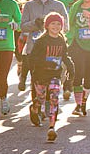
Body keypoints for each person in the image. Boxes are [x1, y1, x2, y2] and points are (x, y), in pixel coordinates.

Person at [29, 12, 75, 142]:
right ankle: (34, 108)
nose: (56, 26)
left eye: (58, 24)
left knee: (54, 98)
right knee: (41, 98)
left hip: (55, 75)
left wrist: (70, 68)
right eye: (53, 23)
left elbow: (65, 56)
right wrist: (38, 68)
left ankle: (51, 127)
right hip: (40, 75)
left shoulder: (61, 40)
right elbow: (32, 58)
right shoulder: (41, 41)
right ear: (47, 26)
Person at [20, 0, 68, 93]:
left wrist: (53, 27)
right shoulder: (29, 5)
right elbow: (23, 26)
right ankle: (36, 108)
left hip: (53, 49)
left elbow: (66, 26)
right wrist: (35, 23)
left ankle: (50, 108)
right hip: (34, 49)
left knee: (52, 83)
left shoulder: (58, 5)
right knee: (36, 82)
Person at [66, 0, 90, 116]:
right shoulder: (76, 6)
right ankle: (78, 104)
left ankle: (84, 102)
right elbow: (70, 23)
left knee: (89, 76)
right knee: (78, 71)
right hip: (77, 43)